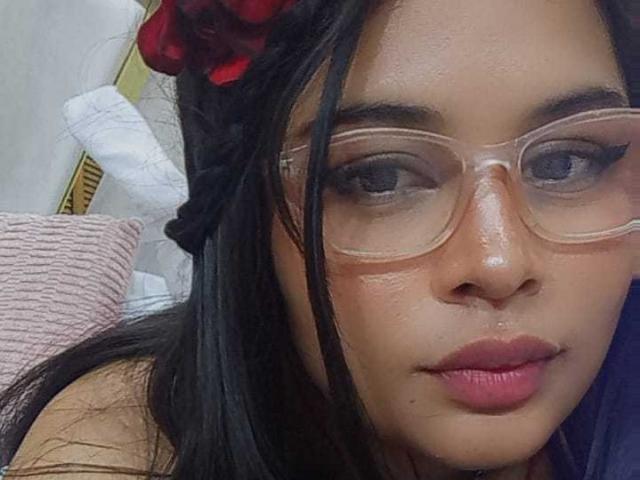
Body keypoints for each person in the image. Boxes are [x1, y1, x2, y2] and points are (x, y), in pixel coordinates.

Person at [0, 1, 638, 479]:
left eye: (566, 163)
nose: (500, 263)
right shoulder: (115, 445)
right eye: (379, 177)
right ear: (245, 220)